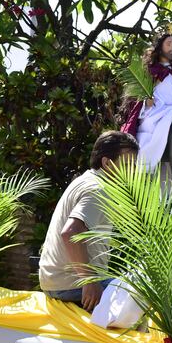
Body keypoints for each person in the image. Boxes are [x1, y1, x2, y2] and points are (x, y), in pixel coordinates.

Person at [38, 131, 139, 311]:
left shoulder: (87, 180)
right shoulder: (98, 189)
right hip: (70, 285)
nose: (133, 171)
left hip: (58, 282)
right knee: (141, 296)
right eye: (128, 164)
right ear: (107, 163)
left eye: (134, 164)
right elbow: (70, 232)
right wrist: (90, 281)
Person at [121, 32, 172, 171]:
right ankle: (143, 167)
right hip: (154, 115)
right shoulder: (151, 72)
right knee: (148, 136)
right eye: (168, 44)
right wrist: (145, 103)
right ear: (160, 46)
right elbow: (135, 100)